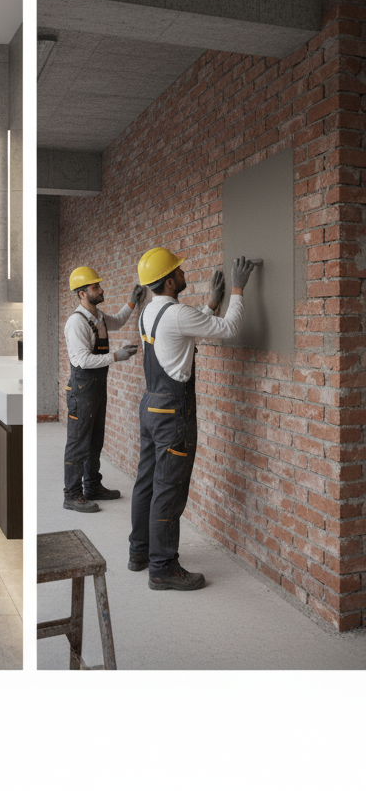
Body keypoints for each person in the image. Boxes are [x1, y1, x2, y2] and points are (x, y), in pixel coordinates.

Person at [130, 247, 258, 591]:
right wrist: (237, 288)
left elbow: (182, 332)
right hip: (173, 412)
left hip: (150, 406)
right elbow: (229, 328)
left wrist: (210, 304)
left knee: (146, 482)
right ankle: (162, 567)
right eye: (180, 271)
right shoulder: (178, 313)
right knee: (168, 490)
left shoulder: (149, 312)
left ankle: (139, 553)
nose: (185, 274)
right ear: (170, 281)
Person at [62, 266, 143, 513]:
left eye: (99, 285)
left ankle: (93, 486)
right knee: (78, 442)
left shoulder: (97, 316)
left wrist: (132, 302)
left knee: (95, 440)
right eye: (95, 287)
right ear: (82, 294)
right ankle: (72, 495)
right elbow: (82, 361)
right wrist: (115, 357)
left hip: (97, 386)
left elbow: (117, 321)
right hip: (82, 388)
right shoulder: (76, 322)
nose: (101, 289)